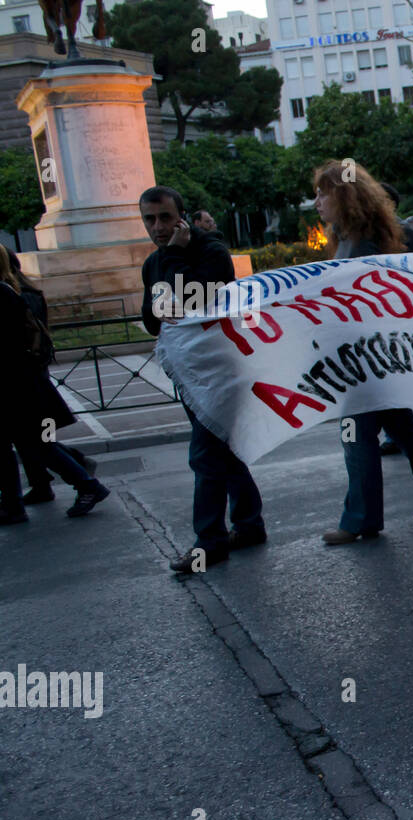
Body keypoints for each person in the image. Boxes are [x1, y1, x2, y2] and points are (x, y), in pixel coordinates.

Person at [312, 160, 413, 545]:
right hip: (369, 353)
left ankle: (361, 518)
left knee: (358, 435)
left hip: (364, 355)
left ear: (342, 195)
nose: (316, 201)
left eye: (322, 192)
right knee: (401, 425)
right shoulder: (353, 235)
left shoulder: (360, 241)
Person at [140, 186, 262, 571]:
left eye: (164, 218)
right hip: (188, 373)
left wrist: (175, 258)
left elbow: (194, 302)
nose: (157, 227)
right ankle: (249, 523)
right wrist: (169, 277)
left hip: (221, 370)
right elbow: (151, 318)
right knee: (224, 450)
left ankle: (209, 542)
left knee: (205, 454)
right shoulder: (153, 263)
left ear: (182, 217)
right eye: (149, 219)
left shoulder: (210, 252)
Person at [0, 251, 110, 524]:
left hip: (15, 386)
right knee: (33, 444)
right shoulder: (9, 291)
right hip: (21, 383)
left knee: (34, 444)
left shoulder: (1, 294)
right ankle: (22, 501)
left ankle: (86, 485)